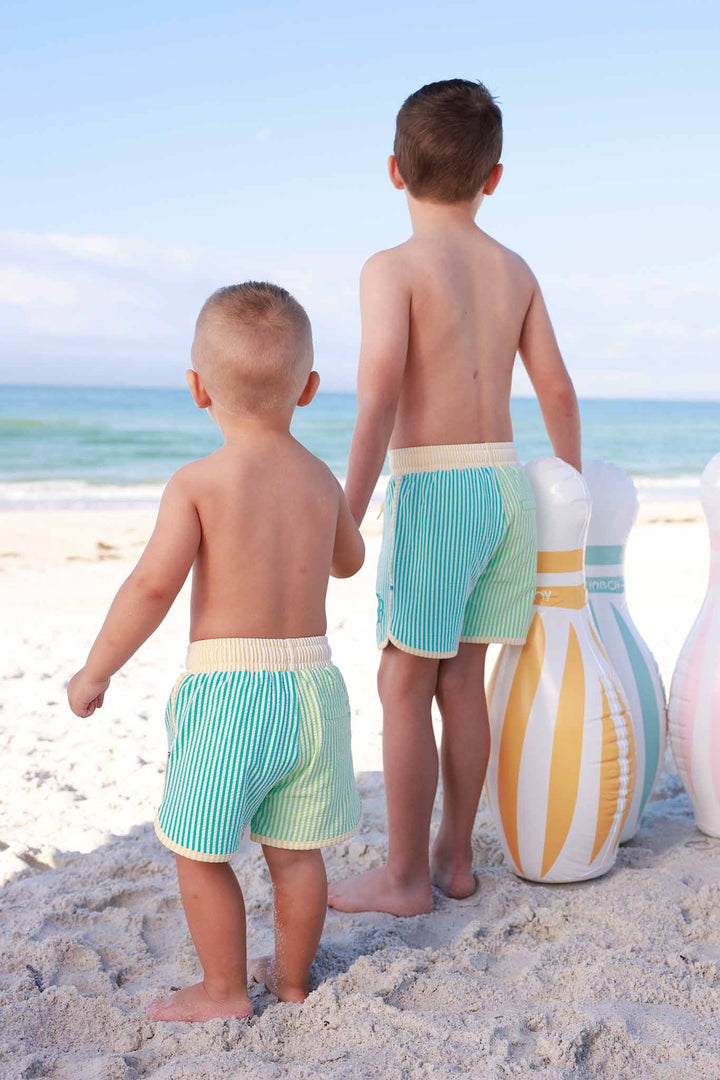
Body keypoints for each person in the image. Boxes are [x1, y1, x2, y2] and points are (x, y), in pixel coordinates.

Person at [68, 282, 364, 1020]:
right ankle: (292, 981)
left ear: (197, 389)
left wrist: (95, 671)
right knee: (296, 854)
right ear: (311, 390)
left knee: (201, 851)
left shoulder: (198, 483)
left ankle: (225, 990)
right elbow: (350, 561)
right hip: (312, 690)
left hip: (229, 694)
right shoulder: (319, 478)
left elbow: (150, 589)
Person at [328, 79, 581, 917]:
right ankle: (455, 859)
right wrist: (568, 491)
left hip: (434, 488)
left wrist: (347, 516)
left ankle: (405, 879)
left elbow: (376, 398)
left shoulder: (391, 269)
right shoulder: (514, 270)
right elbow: (556, 389)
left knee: (405, 682)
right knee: (462, 679)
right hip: (503, 487)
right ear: (493, 178)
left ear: (393, 171)